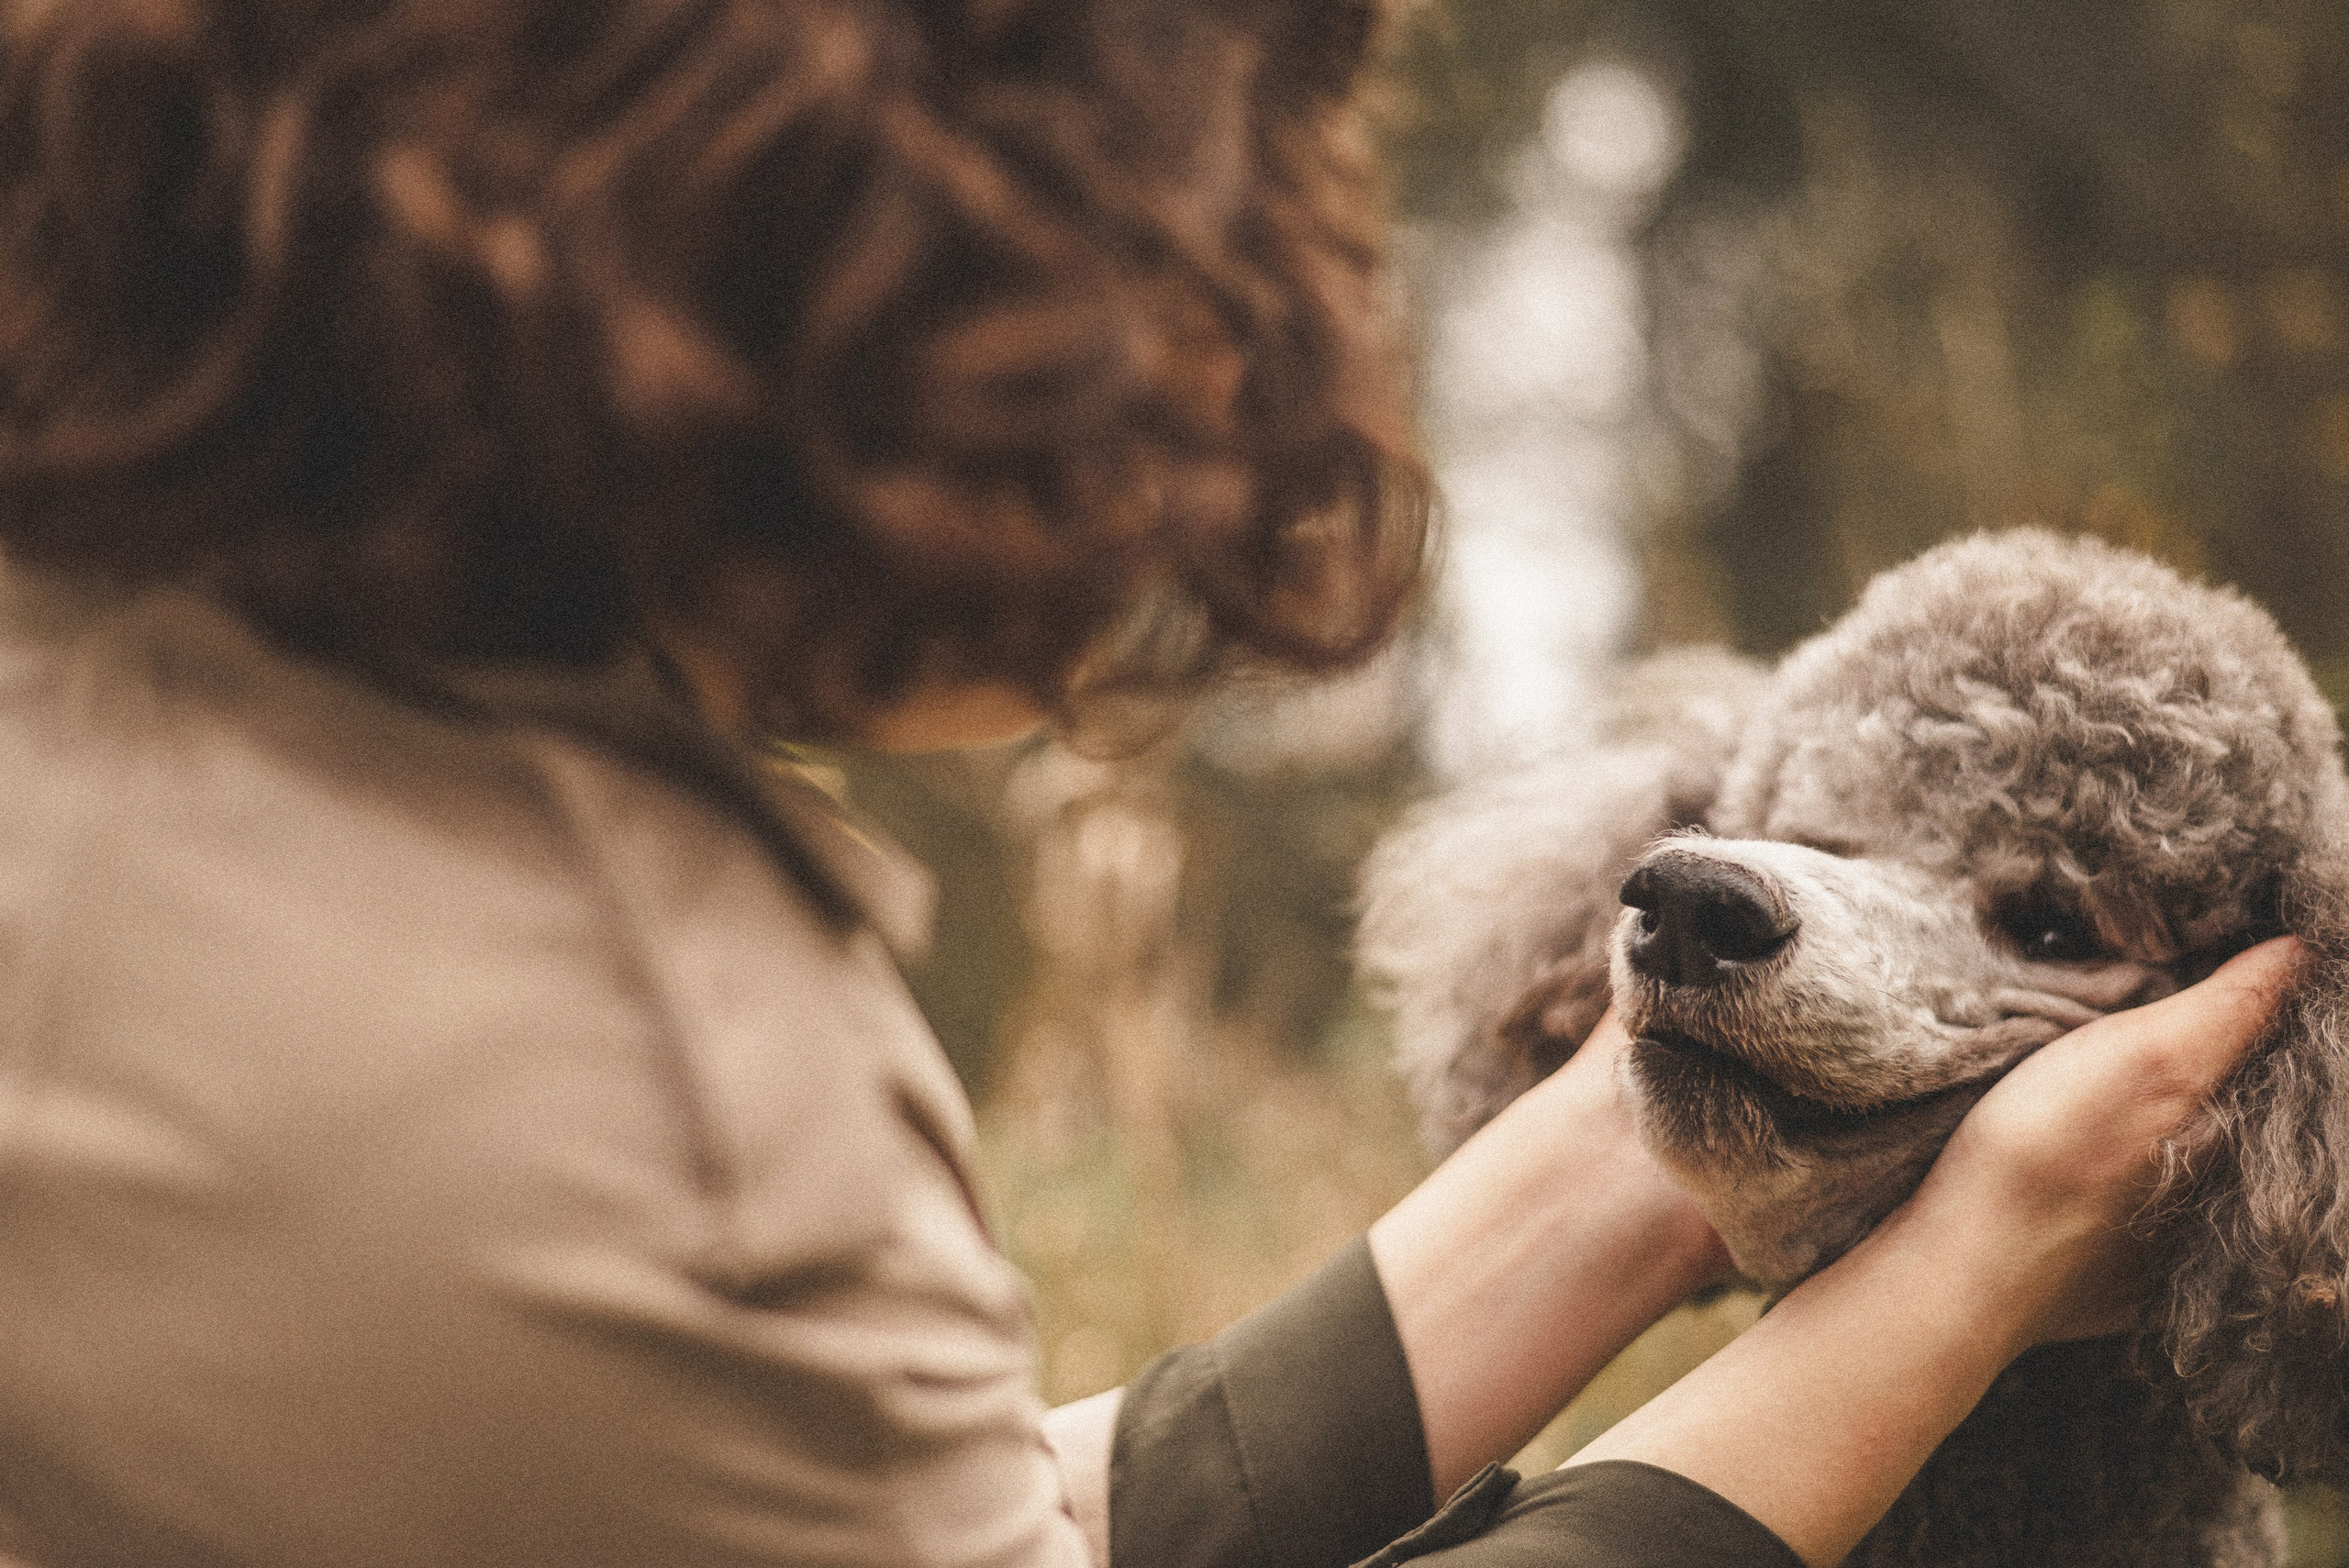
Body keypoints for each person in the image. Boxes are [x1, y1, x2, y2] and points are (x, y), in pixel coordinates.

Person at [0, 2, 2293, 1566]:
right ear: (877, 227)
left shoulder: (161, 729)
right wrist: (1956, 1272)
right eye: (1208, 218)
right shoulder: (612, 1072)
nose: (1254, 352)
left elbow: (913, 1519)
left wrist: (1648, 1149)